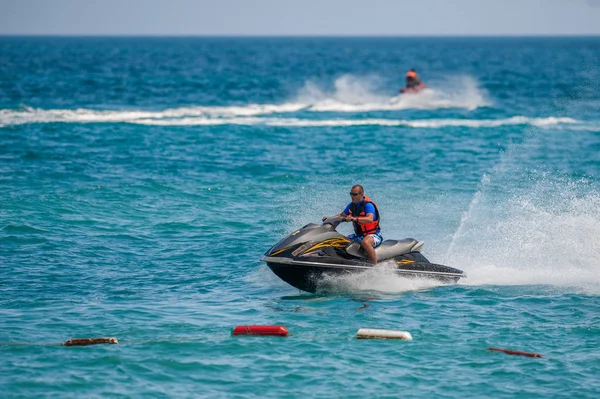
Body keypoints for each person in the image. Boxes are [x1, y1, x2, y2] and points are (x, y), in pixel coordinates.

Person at [322, 185, 383, 264]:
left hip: (374, 235)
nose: (352, 196)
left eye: (355, 194)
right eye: (351, 194)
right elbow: (342, 215)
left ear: (361, 195)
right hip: (359, 236)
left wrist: (354, 219)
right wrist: (330, 218)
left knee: (366, 242)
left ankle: (374, 266)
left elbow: (369, 219)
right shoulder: (351, 205)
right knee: (339, 240)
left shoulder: (368, 205)